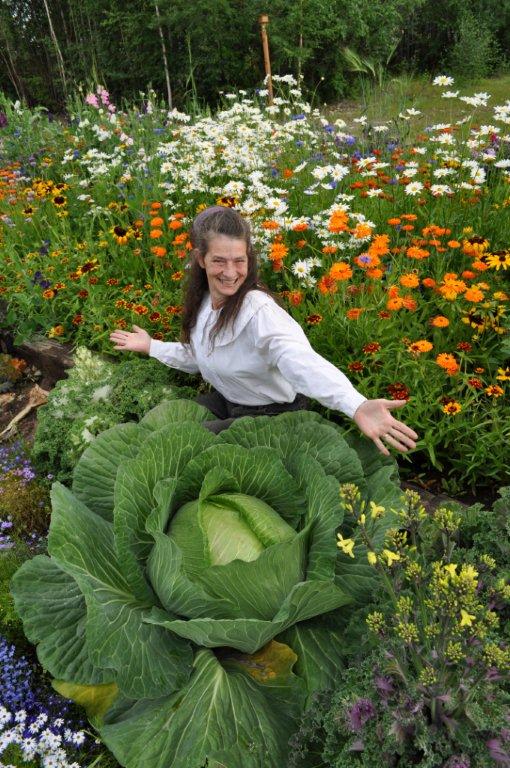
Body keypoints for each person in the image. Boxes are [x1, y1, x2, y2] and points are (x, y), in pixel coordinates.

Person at [110, 206, 418, 455]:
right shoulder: (206, 302)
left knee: (181, 447)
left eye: (238, 261)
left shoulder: (258, 311)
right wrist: (151, 346)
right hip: (232, 400)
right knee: (167, 423)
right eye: (219, 261)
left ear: (249, 260)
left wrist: (356, 404)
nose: (230, 273)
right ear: (201, 260)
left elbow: (298, 360)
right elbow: (199, 356)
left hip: (271, 415)